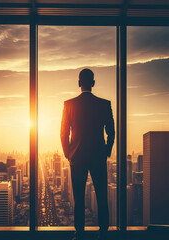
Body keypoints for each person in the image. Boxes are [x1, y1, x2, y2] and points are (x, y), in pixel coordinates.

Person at [60, 68, 115, 240]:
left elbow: (63, 133)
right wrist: (107, 150)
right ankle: (104, 233)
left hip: (77, 157)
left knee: (78, 198)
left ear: (79, 83)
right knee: (101, 196)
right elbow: (111, 131)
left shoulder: (69, 104)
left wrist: (68, 153)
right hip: (98, 156)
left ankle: (80, 233)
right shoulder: (104, 104)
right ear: (93, 83)